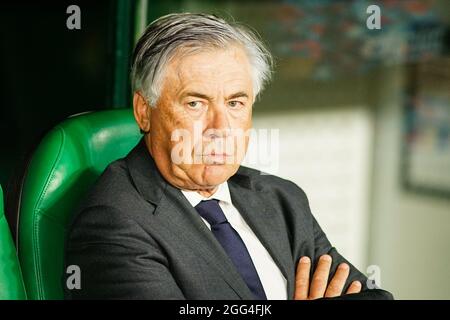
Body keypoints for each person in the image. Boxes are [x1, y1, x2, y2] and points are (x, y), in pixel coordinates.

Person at [64, 13, 393, 300]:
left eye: (235, 103)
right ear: (144, 112)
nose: (220, 128)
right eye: (196, 103)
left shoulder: (282, 200)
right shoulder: (113, 221)